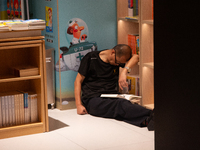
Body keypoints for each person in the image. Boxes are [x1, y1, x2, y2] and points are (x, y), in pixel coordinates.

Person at [74, 44, 154, 130]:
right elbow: (78, 81)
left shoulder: (117, 59)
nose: (117, 65)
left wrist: (124, 71)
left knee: (122, 107)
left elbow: (136, 57)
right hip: (92, 98)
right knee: (120, 105)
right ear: (112, 53)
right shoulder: (90, 58)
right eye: (117, 62)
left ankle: (147, 120)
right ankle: (153, 114)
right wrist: (78, 105)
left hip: (112, 95)